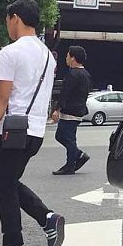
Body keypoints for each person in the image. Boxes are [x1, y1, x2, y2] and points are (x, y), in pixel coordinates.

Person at [0, 0, 65, 246]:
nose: (7, 25)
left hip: (9, 131)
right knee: (6, 181)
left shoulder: (9, 52)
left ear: (15, 17)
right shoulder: (48, 55)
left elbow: (1, 99)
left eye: (7, 20)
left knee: (3, 186)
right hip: (35, 132)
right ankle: (47, 219)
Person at [51, 46, 91, 176]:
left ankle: (70, 165)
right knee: (63, 136)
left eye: (68, 55)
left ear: (73, 58)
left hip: (70, 111)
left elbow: (65, 93)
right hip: (79, 110)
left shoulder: (73, 74)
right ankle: (78, 156)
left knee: (67, 138)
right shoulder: (85, 74)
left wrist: (57, 109)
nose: (66, 58)